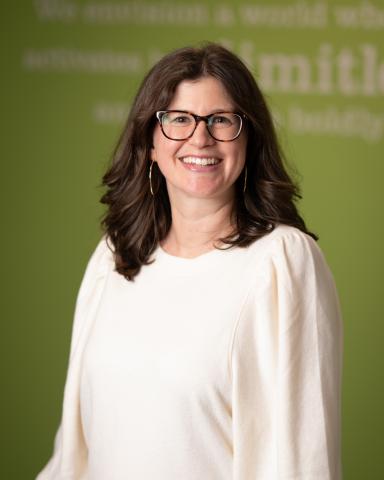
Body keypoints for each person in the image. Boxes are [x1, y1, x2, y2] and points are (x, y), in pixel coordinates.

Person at [37, 43, 343, 480]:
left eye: (221, 120)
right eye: (179, 119)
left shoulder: (282, 262)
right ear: (150, 143)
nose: (200, 138)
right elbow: (73, 456)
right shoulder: (114, 257)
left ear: (249, 139)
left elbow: (304, 458)